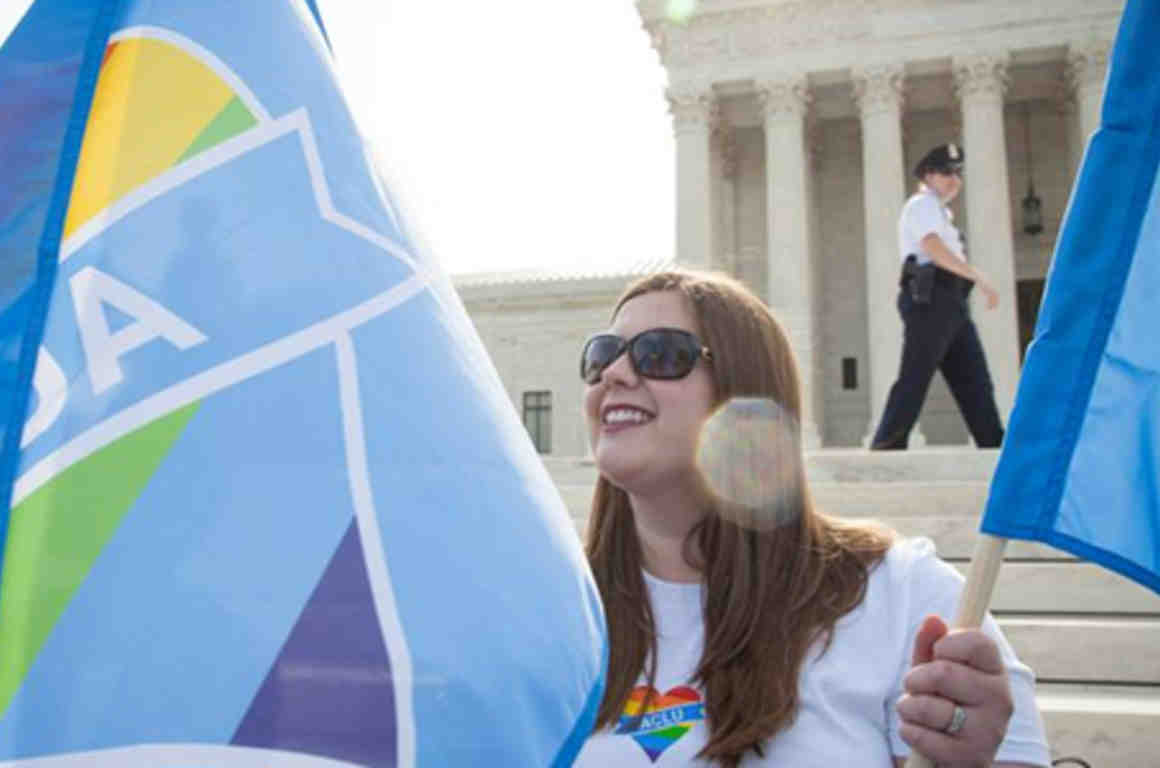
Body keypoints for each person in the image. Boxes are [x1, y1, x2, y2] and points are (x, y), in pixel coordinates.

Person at [572, 269, 1049, 767]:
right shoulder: (556, 619)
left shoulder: (904, 596)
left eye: (660, 354)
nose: (615, 374)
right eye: (601, 355)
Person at [871, 142, 1006, 450]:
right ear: (928, 176)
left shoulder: (941, 213)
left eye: (958, 174)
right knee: (916, 374)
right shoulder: (922, 205)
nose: (954, 180)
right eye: (946, 173)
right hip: (930, 297)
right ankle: (887, 443)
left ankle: (993, 442)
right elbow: (932, 247)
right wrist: (978, 276)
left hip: (951, 300)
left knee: (974, 377)